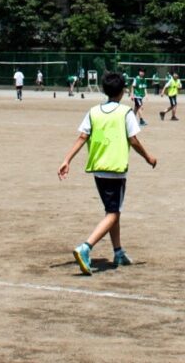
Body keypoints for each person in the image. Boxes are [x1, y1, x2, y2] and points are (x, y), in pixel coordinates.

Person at [58, 72, 157, 276]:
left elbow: (82, 136)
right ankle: (86, 247)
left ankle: (118, 251)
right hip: (115, 169)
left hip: (98, 169)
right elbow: (134, 140)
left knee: (112, 211)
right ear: (122, 92)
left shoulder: (94, 111)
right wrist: (148, 157)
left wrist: (67, 159)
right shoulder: (125, 113)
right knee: (113, 213)